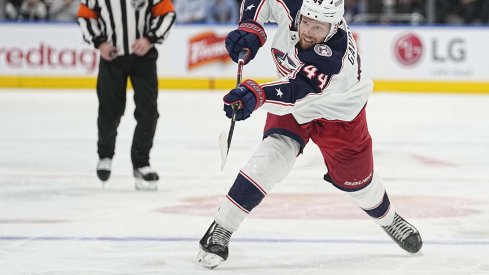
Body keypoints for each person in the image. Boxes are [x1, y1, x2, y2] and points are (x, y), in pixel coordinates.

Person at [196, 0, 423, 268]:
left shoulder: (333, 59)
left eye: (319, 27)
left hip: (339, 115)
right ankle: (222, 228)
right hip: (295, 106)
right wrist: (251, 25)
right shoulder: (296, 9)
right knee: (270, 160)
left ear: (334, 26)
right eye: (306, 22)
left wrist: (256, 95)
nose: (308, 32)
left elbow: (295, 91)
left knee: (359, 183)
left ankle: (388, 219)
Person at [77, 0, 176, 191]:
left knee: (148, 111)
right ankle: (105, 155)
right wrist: (100, 42)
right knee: (109, 110)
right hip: (111, 58)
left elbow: (167, 13)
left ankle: (141, 163)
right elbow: (85, 14)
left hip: (144, 58)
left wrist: (150, 38)